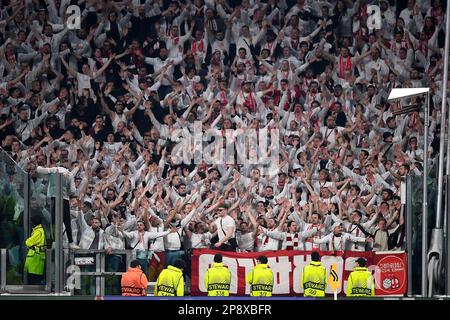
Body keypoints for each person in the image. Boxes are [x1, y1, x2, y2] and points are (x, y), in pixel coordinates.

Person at [24, 215, 46, 284]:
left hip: (35, 257)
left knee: (33, 277)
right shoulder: (40, 230)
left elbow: (28, 242)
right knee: (36, 276)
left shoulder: (38, 231)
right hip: (38, 256)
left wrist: (28, 241)